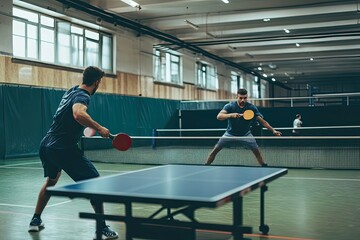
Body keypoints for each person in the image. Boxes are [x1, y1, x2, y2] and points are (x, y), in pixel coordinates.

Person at [28, 66, 118, 240]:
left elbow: (73, 117)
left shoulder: (72, 91)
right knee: (96, 185)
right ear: (97, 82)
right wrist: (99, 128)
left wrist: (85, 126)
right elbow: (78, 114)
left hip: (47, 145)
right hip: (63, 148)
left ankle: (35, 220)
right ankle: (102, 229)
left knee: (52, 180)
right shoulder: (82, 95)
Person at [205, 88, 282, 166]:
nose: (243, 100)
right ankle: (206, 165)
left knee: (257, 152)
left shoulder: (251, 108)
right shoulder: (230, 106)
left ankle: (264, 166)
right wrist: (231, 115)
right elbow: (219, 116)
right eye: (240, 98)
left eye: (245, 98)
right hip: (229, 134)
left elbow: (263, 122)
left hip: (246, 134)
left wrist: (273, 131)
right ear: (237, 97)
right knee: (215, 150)